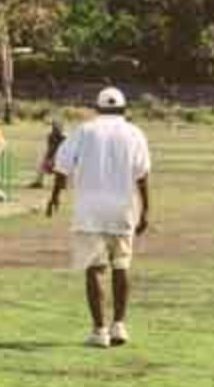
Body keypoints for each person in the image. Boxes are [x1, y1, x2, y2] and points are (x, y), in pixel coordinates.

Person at [47, 87, 151, 349]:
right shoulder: (134, 132)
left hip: (89, 210)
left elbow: (62, 165)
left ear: (97, 108)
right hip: (123, 207)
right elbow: (142, 175)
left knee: (94, 269)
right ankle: (119, 325)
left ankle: (99, 331)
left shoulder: (85, 130)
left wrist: (55, 196)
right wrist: (146, 210)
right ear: (124, 109)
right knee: (121, 265)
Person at [29, 119, 67, 189]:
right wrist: (48, 159)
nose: (54, 128)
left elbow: (65, 151)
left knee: (63, 164)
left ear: (61, 127)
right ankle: (39, 182)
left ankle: (63, 183)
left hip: (63, 158)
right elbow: (50, 149)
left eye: (56, 126)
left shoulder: (65, 137)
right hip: (53, 158)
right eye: (53, 126)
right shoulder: (50, 136)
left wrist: (54, 159)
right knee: (41, 160)